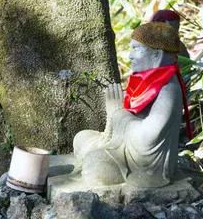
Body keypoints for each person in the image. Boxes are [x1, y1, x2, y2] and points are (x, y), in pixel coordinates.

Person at [71, 22, 192, 187]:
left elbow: (147, 139)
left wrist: (117, 113)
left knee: (95, 166)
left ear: (157, 56)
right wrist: (111, 127)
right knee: (81, 137)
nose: (130, 55)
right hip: (127, 147)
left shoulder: (168, 89)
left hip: (146, 166)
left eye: (136, 49)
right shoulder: (148, 80)